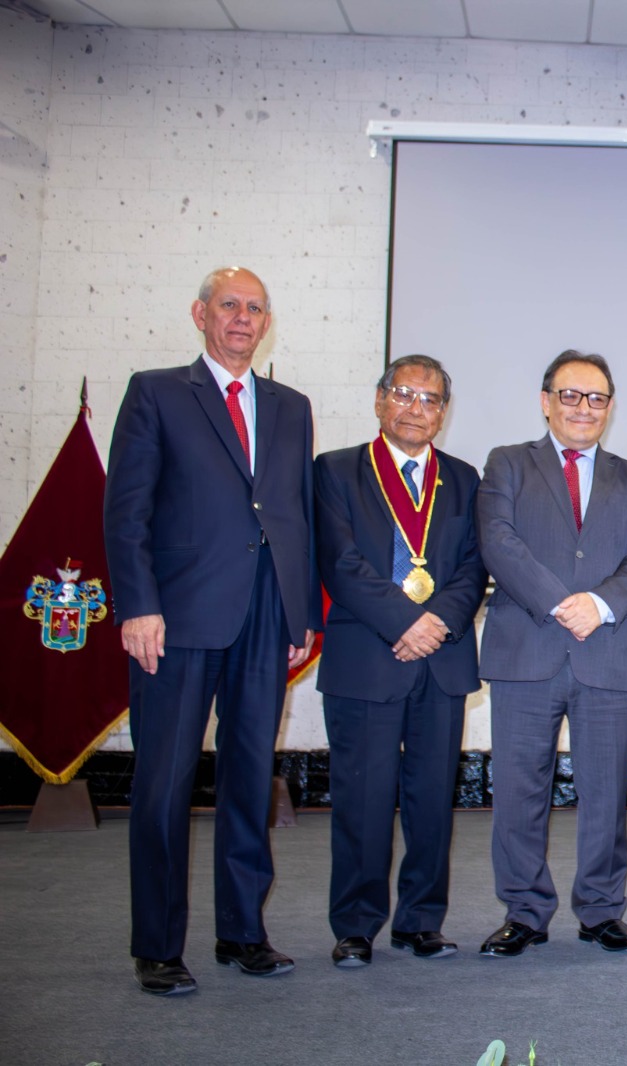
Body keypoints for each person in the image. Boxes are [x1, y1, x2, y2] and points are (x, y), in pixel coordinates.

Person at [103, 266, 319, 995]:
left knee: (250, 778)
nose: (243, 319)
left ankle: (242, 933)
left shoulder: (291, 406)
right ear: (201, 314)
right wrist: (137, 604)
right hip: (176, 617)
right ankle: (158, 945)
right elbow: (125, 509)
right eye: (229, 306)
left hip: (266, 618)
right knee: (163, 784)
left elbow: (292, 514)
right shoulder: (158, 391)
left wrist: (300, 613)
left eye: (256, 308)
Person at [475, 350, 627, 956]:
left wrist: (600, 605)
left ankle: (602, 910)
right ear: (545, 400)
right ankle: (525, 911)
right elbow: (497, 542)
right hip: (526, 649)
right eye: (570, 395)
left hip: (607, 651)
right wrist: (562, 603)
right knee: (518, 790)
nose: (584, 408)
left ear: (610, 407)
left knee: (607, 793)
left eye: (597, 398)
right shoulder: (507, 463)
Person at [313, 354, 488, 968]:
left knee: (432, 797)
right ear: (381, 400)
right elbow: (339, 561)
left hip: (440, 657)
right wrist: (405, 621)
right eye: (405, 394)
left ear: (444, 410)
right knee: (362, 797)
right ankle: (356, 925)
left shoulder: (465, 478)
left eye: (431, 398)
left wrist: (435, 623)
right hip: (369, 654)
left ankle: (421, 922)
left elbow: (474, 565)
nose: (417, 408)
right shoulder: (336, 471)